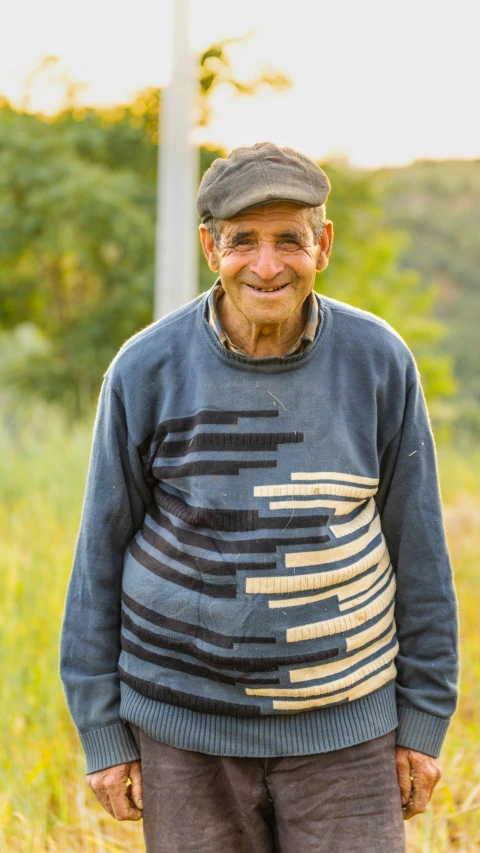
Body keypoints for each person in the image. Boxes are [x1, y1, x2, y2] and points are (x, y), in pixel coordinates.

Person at [60, 142, 459, 853]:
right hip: (185, 733)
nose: (267, 265)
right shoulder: (145, 369)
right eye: (244, 240)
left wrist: (423, 720)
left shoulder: (378, 360)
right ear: (212, 247)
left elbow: (420, 552)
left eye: (289, 240)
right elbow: (98, 555)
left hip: (349, 732)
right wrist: (102, 729)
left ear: (324, 245)